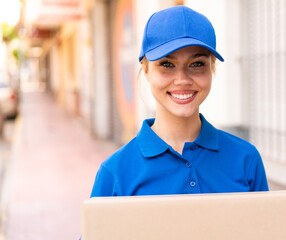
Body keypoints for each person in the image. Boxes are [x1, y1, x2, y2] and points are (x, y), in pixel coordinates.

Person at [90, 5, 268, 198]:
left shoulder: (246, 159)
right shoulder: (115, 173)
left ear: (212, 70)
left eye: (197, 64)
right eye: (167, 64)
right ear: (147, 71)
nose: (182, 79)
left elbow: (265, 228)